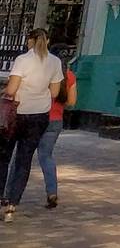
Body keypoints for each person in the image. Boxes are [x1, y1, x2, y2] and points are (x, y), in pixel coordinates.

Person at [2, 29, 63, 222]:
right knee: (24, 160)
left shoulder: (23, 60)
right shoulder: (55, 62)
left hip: (16, 114)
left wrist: (6, 92)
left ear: (30, 41)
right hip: (39, 116)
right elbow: (54, 93)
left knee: (4, 157)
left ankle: (1, 194)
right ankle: (12, 204)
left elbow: (12, 89)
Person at [36, 57, 76, 209]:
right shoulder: (69, 76)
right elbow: (71, 102)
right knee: (46, 157)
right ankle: (52, 192)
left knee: (21, 157)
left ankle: (9, 194)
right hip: (56, 120)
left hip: (36, 116)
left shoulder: (43, 72)